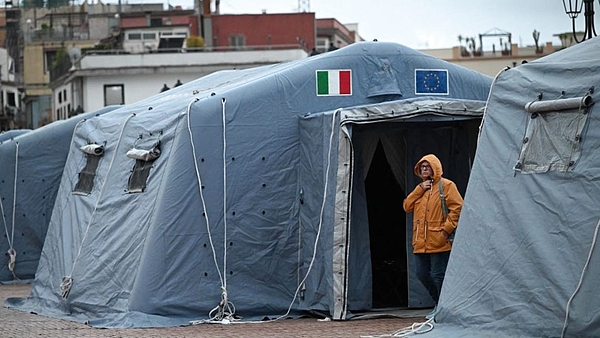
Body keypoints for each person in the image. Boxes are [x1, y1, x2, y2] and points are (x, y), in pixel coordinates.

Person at [403, 154, 463, 319]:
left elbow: (458, 207)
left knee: (438, 275)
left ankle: (444, 306)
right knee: (421, 273)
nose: (424, 169)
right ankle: (439, 303)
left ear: (435, 168)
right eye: (422, 167)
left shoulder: (447, 185)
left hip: (438, 239)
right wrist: (419, 189)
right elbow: (407, 206)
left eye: (427, 167)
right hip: (420, 241)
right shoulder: (421, 188)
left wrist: (446, 230)